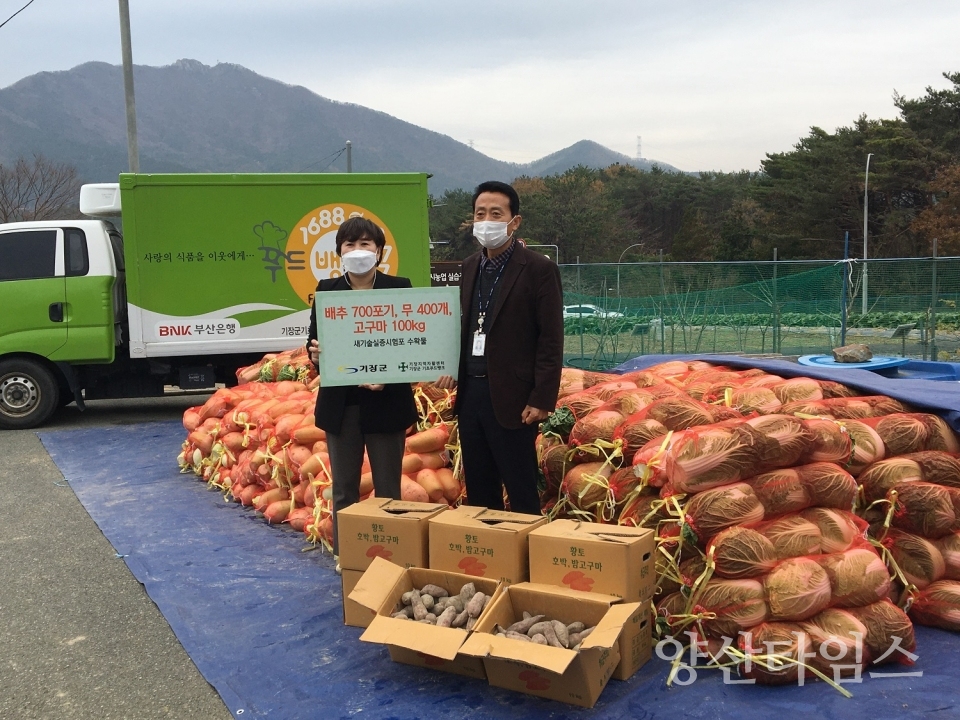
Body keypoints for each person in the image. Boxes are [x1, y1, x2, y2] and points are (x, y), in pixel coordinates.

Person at [435, 181, 564, 514]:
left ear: (514, 221)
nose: (487, 220)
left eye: (496, 213)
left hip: (514, 397)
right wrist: (447, 365)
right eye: (481, 213)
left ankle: (524, 561)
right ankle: (488, 557)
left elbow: (551, 338)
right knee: (479, 488)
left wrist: (541, 398)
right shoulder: (468, 267)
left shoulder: (538, 269)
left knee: (520, 488)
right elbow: (461, 328)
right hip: (471, 396)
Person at [306, 217, 418, 567]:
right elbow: (316, 347)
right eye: (350, 245)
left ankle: (391, 556)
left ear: (380, 251)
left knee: (388, 487)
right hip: (343, 405)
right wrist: (316, 354)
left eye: (366, 244)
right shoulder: (327, 292)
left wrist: (386, 373)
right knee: (344, 489)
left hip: (387, 402)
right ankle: (348, 554)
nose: (358, 251)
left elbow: (410, 342)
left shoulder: (400, 288)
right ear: (339, 251)